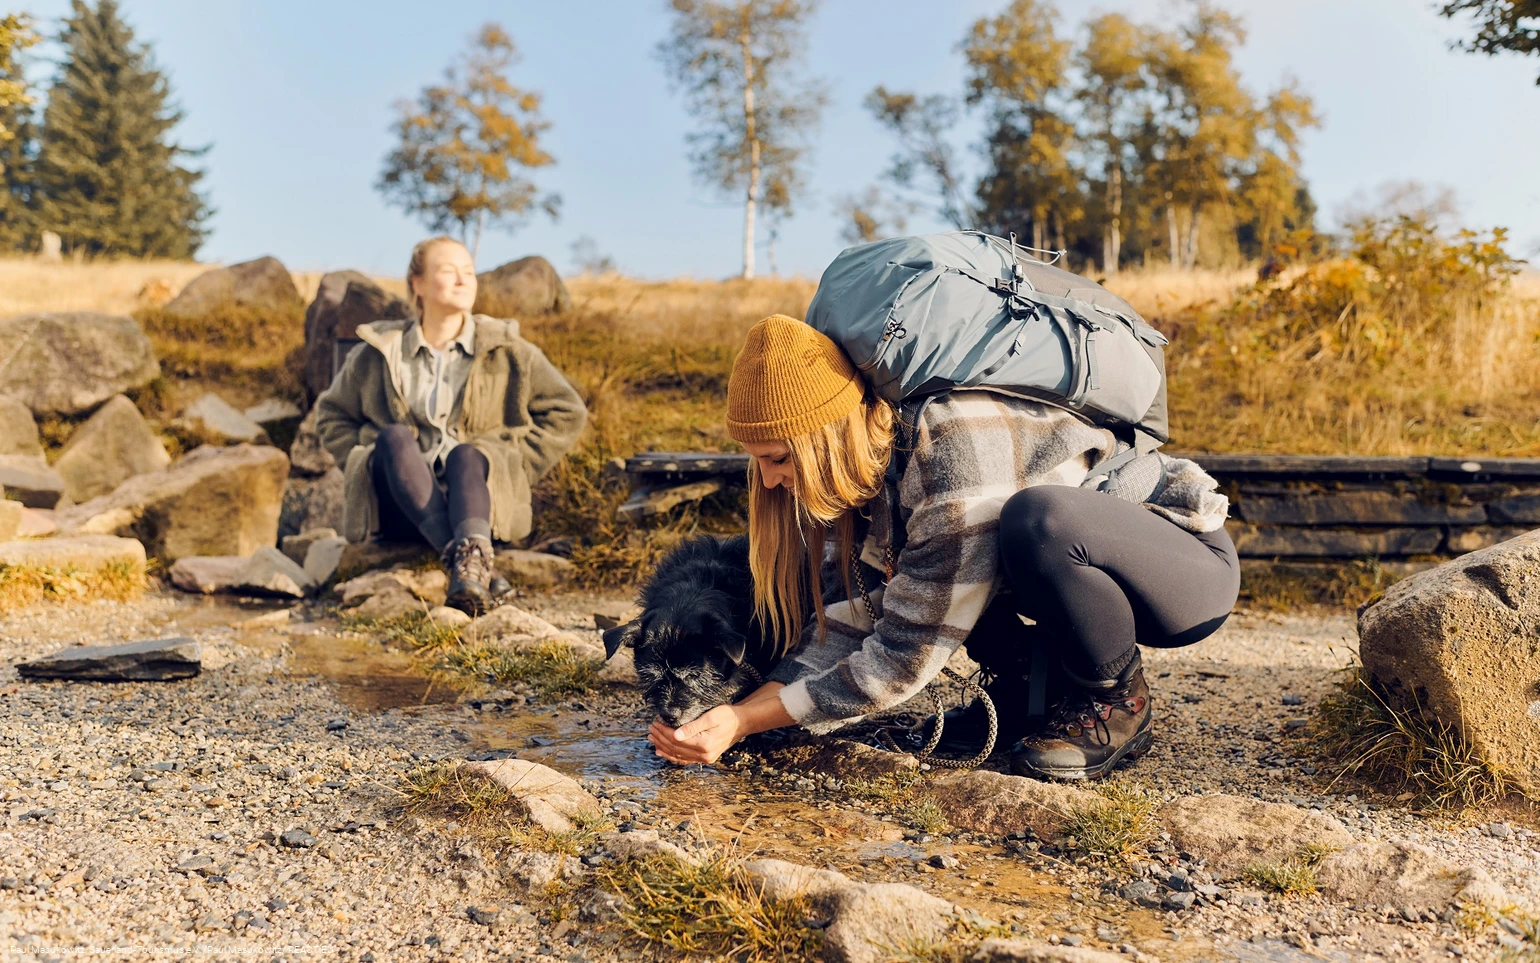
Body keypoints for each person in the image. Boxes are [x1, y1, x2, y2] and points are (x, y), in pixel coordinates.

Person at [647, 314, 1238, 780]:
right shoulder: (874, 474)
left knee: (1041, 522)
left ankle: (1115, 702)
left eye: (777, 459)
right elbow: (850, 619)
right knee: (938, 566)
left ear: (826, 436)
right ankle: (1028, 697)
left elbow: (903, 655)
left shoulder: (950, 449)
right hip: (1077, 569)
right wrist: (741, 713)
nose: (771, 481)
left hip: (1184, 572)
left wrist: (746, 719)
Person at [314, 236, 587, 615]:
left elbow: (567, 411)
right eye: (448, 271)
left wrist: (516, 467)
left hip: (478, 502)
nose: (463, 280)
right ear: (418, 284)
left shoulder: (508, 349)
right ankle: (474, 569)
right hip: (401, 508)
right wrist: (359, 460)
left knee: (468, 454)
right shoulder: (379, 351)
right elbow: (330, 414)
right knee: (392, 438)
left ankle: (468, 558)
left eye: (469, 272)